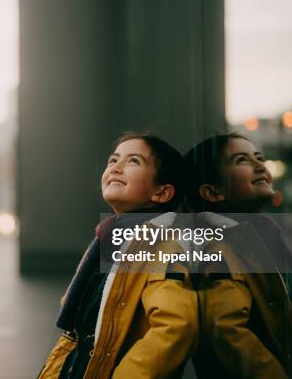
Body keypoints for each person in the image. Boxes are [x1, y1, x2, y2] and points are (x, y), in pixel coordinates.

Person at [37, 132, 198, 379]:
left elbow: (176, 327)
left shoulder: (162, 246)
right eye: (113, 160)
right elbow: (80, 332)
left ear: (162, 193)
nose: (116, 167)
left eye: (133, 161)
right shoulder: (110, 239)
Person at [183, 133, 292, 378]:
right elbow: (226, 333)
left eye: (259, 157)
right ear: (213, 192)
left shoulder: (261, 235)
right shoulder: (215, 246)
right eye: (242, 160)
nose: (260, 165)